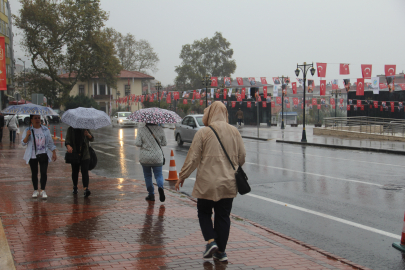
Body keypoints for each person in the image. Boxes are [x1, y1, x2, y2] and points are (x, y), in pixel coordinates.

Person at [175, 101, 246, 262]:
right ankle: (221, 252)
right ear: (225, 113)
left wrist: (182, 176)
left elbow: (193, 158)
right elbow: (242, 157)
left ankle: (211, 241)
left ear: (211, 113)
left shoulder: (203, 132)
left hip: (207, 183)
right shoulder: (234, 131)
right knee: (223, 216)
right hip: (228, 183)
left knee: (204, 212)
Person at [21, 115, 57, 199]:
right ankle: (35, 190)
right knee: (34, 173)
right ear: (31, 120)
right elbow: (23, 143)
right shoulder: (28, 130)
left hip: (44, 153)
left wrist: (54, 152)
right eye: (35, 118)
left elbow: (50, 143)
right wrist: (27, 135)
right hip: (32, 155)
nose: (37, 120)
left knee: (43, 172)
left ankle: (43, 190)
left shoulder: (45, 130)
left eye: (38, 118)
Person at [135, 123, 167, 202]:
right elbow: (164, 143)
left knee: (147, 176)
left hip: (145, 157)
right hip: (157, 157)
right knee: (159, 175)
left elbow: (138, 143)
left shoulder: (141, 129)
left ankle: (151, 194)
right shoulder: (160, 129)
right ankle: (160, 187)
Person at [65, 127, 94, 197]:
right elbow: (67, 141)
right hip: (75, 153)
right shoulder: (70, 129)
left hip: (85, 154)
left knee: (85, 171)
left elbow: (92, 138)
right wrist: (68, 147)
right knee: (75, 171)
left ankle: (86, 189)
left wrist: (87, 134)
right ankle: (75, 186)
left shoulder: (85, 128)